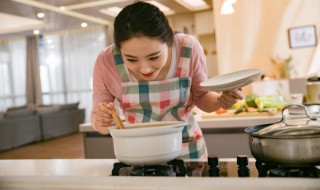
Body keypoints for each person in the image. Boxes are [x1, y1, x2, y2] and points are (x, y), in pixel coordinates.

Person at [91, 1, 242, 176]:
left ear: (169, 41)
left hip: (186, 151)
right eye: (131, 59)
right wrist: (102, 121)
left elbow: (202, 97)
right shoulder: (106, 61)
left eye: (154, 57)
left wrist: (221, 101)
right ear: (118, 49)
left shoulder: (187, 48)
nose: (145, 68)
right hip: (137, 154)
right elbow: (98, 117)